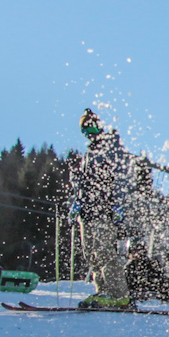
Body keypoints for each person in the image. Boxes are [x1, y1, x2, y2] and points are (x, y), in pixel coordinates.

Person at [70, 109, 135, 310]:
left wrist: (118, 204)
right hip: (87, 212)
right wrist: (77, 202)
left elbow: (121, 177)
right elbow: (84, 183)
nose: (88, 133)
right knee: (91, 253)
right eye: (84, 130)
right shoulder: (88, 153)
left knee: (105, 252)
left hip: (103, 210)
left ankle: (119, 294)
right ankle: (103, 291)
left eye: (91, 127)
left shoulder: (110, 148)